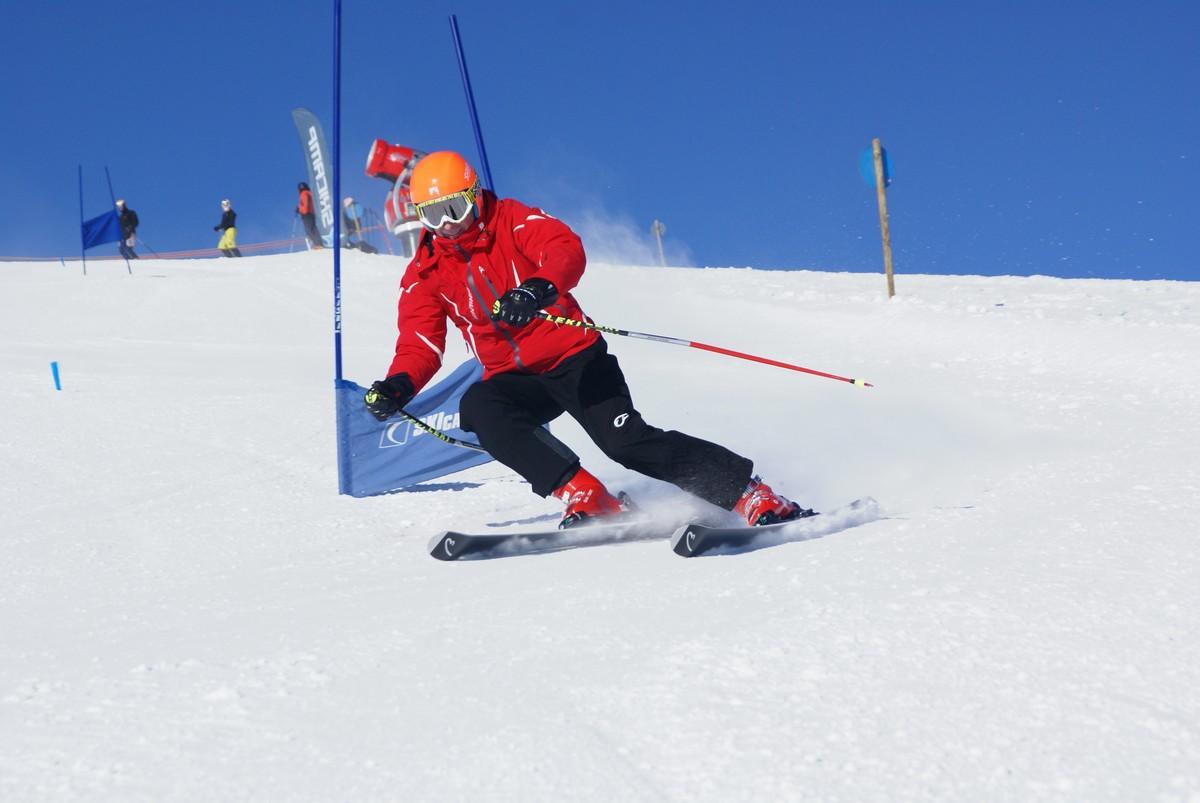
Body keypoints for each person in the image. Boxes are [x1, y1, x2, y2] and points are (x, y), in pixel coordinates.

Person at [363, 151, 813, 530]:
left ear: (475, 196)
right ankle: (586, 495)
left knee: (626, 444)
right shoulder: (425, 272)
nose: (448, 225)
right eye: (433, 215)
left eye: (455, 210)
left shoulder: (513, 220)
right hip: (517, 377)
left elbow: (564, 248)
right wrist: (399, 385)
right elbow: (420, 342)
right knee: (480, 407)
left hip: (574, 357)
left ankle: (751, 495)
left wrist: (536, 288)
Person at [296, 182, 322, 249]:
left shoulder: (303, 193)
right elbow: (306, 204)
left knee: (309, 230)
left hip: (307, 214)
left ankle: (318, 244)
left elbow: (305, 204)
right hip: (311, 213)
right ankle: (319, 243)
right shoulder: (309, 193)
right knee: (313, 228)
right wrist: (300, 208)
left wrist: (301, 210)